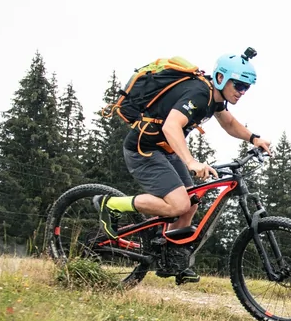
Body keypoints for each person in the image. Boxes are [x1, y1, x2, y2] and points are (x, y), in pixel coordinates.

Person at [95, 50, 273, 282]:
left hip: (165, 150)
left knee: (192, 202)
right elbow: (171, 127)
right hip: (143, 149)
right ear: (220, 78)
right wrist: (190, 162)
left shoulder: (215, 99)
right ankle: (110, 204)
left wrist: (254, 138)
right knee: (178, 204)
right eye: (238, 85)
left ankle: (171, 257)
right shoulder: (200, 94)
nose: (241, 92)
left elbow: (228, 122)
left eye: (246, 88)